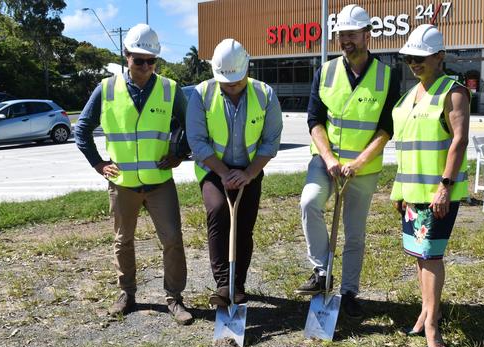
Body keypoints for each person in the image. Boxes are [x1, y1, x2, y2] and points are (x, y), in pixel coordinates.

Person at [75, 24, 193, 325]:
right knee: (122, 240)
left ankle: (174, 298)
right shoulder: (106, 88)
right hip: (122, 184)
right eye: (138, 60)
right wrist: (98, 164)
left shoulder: (170, 89)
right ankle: (126, 294)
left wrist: (180, 154)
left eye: (151, 61)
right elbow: (82, 130)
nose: (145, 67)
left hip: (159, 182)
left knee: (173, 239)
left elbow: (193, 125)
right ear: (125, 56)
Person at [295, 4, 400, 320]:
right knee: (309, 202)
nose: (345, 41)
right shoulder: (325, 72)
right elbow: (314, 120)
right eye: (341, 35)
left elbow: (387, 127)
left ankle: (349, 293)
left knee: (354, 232)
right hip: (326, 162)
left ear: (367, 35)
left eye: (351, 34)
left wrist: (359, 162)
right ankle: (321, 271)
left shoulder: (387, 77)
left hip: (363, 170)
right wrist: (328, 158)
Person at [390, 24, 470, 347]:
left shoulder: (453, 92)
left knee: (431, 256)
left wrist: (445, 187)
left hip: (439, 194)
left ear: (440, 57)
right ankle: (425, 311)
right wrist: (399, 191)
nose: (414, 63)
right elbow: (406, 147)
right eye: (410, 57)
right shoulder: (410, 96)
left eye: (421, 57)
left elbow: (459, 140)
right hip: (412, 192)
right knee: (419, 256)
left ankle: (434, 323)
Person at [186, 39, 282, 306]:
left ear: (247, 70)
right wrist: (223, 172)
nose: (230, 87)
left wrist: (250, 173)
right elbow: (197, 140)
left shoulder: (265, 94)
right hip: (213, 170)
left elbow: (270, 141)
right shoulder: (201, 94)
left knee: (244, 225)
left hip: (250, 170)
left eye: (236, 82)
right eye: (225, 83)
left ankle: (237, 285)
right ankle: (222, 285)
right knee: (218, 212)